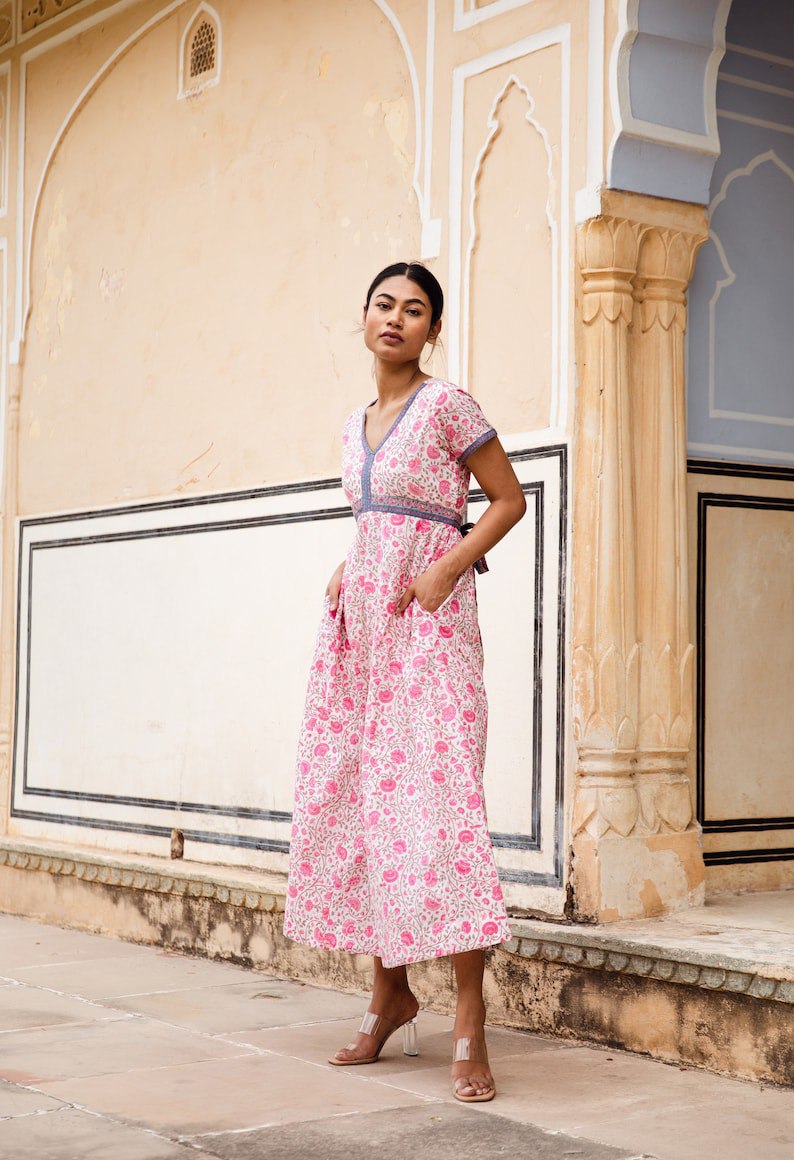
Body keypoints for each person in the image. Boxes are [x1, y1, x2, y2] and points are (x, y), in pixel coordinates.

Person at [283, 261, 526, 1103]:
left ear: (432, 329)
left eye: (414, 309)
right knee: (362, 805)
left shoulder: (450, 404)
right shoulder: (354, 425)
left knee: (443, 811)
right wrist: (349, 565)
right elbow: (381, 513)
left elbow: (506, 500)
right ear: (363, 319)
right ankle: (389, 993)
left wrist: (445, 572)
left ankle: (469, 1018)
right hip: (362, 633)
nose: (396, 318)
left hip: (430, 628)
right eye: (384, 305)